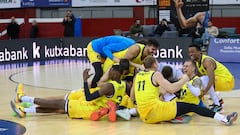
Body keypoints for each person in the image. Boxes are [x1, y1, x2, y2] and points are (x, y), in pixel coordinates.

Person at [130, 55, 238, 125]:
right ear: (154, 64)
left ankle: (130, 112)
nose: (185, 68)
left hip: (144, 116)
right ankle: (224, 119)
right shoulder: (156, 74)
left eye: (187, 66)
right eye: (184, 66)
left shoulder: (138, 76)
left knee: (176, 102)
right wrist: (186, 79)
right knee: (192, 107)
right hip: (156, 112)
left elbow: (132, 98)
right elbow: (172, 89)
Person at [11, 65, 130, 122]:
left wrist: (84, 80)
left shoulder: (109, 86)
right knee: (56, 106)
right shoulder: (125, 85)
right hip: (93, 108)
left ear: (115, 71)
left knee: (55, 103)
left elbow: (89, 98)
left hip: (87, 108)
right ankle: (24, 110)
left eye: (110, 71)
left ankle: (22, 98)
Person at [188, 44, 234, 111]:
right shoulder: (197, 62)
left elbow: (211, 80)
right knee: (197, 81)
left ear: (199, 52)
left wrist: (203, 93)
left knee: (204, 80)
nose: (190, 54)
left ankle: (218, 106)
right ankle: (219, 101)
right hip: (219, 81)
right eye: (189, 52)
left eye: (192, 52)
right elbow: (198, 76)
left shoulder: (207, 61)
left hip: (227, 80)